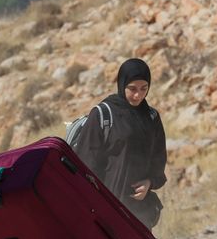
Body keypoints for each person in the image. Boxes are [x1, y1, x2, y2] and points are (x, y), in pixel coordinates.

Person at [71, 58, 167, 229]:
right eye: (132, 89)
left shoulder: (151, 117)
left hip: (139, 213)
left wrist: (149, 183)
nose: (138, 95)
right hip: (104, 211)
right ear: (122, 84)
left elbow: (158, 160)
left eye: (144, 89)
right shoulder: (103, 114)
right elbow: (85, 164)